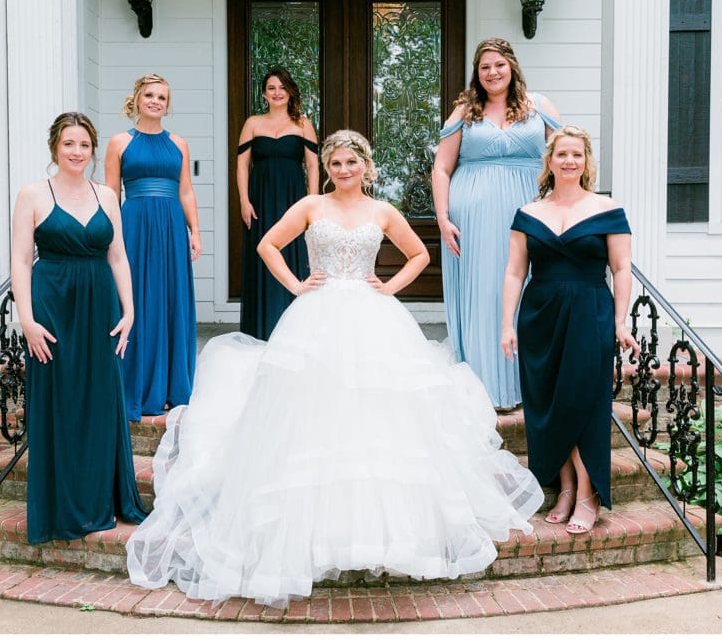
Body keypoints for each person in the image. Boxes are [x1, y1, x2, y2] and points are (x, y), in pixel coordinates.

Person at [126, 130, 543, 608]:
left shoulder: (382, 211)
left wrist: (389, 287)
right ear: (328, 168)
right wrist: (297, 284)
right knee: (311, 412)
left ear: (365, 164)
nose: (344, 171)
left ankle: (376, 531)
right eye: (336, 164)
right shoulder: (310, 206)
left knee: (376, 414)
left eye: (351, 162)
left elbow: (420, 255)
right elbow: (267, 245)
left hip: (372, 315)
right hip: (316, 315)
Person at [11, 112, 148, 543]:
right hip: (53, 306)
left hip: (100, 306)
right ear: (55, 147)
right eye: (69, 144)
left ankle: (102, 499)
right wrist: (27, 320)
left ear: (92, 149)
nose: (77, 152)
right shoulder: (33, 194)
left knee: (100, 399)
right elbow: (19, 261)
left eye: (84, 145)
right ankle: (62, 507)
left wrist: (129, 311)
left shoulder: (107, 195)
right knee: (61, 401)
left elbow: (118, 257)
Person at [500, 125, 639, 535]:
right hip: (539, 314)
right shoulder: (528, 212)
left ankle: (587, 495)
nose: (569, 161)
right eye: (562, 154)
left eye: (576, 154)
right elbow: (513, 272)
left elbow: (621, 269)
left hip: (589, 312)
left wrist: (619, 320)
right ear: (550, 160)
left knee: (582, 401)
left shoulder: (607, 209)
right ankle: (564, 488)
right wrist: (507, 324)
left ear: (586, 161)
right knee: (547, 404)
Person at [432, 37, 561, 410]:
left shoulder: (539, 106)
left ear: (512, 67)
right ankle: (483, 387)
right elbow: (442, 168)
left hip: (529, 210)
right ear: (478, 73)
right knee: (485, 291)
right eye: (485, 67)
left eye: (499, 65)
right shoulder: (464, 111)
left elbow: (566, 156)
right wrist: (442, 218)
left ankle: (528, 384)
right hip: (472, 216)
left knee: (528, 290)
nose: (492, 73)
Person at [105, 74, 201, 420]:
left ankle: (172, 387)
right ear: (137, 99)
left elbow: (186, 191)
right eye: (150, 95)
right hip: (134, 224)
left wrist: (195, 230)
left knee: (170, 298)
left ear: (167, 104)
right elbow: (111, 194)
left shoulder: (179, 144)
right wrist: (110, 235)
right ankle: (138, 386)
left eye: (162, 97)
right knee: (138, 298)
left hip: (172, 227)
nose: (156, 101)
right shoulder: (119, 142)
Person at [236, 67, 320, 339]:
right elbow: (242, 165)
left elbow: (312, 165)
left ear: (290, 92)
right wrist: (244, 201)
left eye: (282, 88)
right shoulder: (252, 123)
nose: (277, 93)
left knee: (293, 254)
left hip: (293, 199)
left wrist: (313, 202)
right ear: (264, 93)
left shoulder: (303, 124)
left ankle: (295, 331)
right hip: (260, 200)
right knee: (262, 256)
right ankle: (260, 329)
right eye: (271, 88)